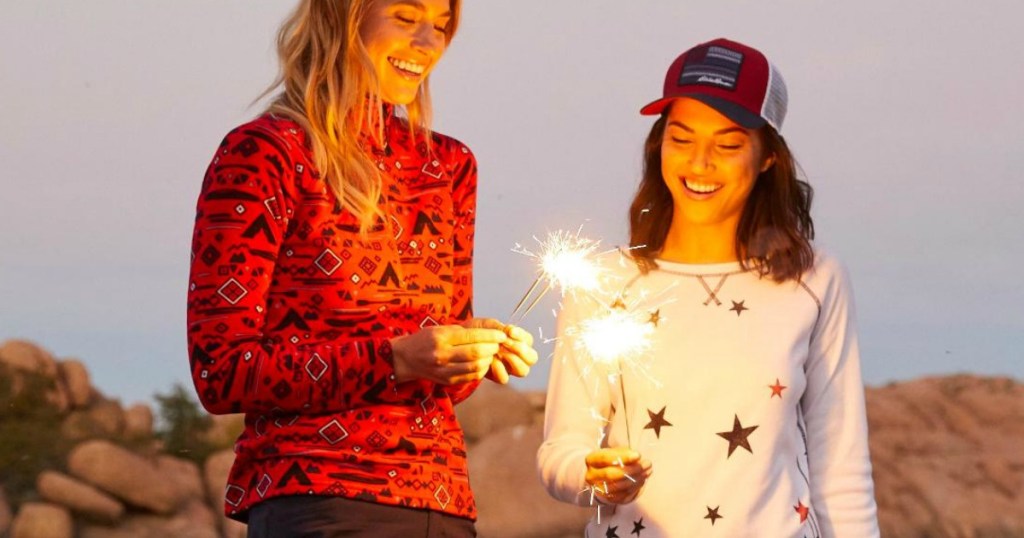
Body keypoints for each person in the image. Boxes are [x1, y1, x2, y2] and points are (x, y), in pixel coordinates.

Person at [186, 0, 538, 536]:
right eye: (405, 16)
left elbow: (435, 375)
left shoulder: (449, 166)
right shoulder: (264, 154)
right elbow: (222, 371)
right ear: (343, 16)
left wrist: (464, 350)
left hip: (444, 502)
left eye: (441, 27)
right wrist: (393, 359)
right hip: (317, 501)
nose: (428, 43)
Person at [537, 38, 879, 537]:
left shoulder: (813, 280)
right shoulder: (602, 284)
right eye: (681, 138)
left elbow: (841, 468)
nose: (699, 163)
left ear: (767, 157)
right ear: (659, 145)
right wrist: (593, 477)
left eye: (727, 144)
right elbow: (560, 453)